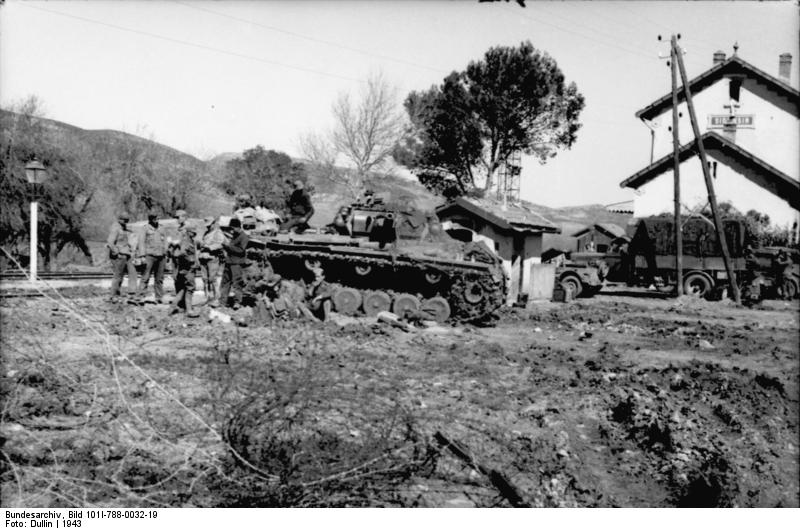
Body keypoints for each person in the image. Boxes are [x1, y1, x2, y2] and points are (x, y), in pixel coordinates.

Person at [216, 217, 249, 309]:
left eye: (233, 228)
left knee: (237, 284)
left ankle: (237, 302)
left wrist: (228, 247)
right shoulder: (235, 235)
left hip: (237, 264)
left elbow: (241, 250)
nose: (231, 230)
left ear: (238, 227)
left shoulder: (244, 237)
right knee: (225, 283)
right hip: (229, 262)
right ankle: (222, 302)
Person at [137, 211, 168, 303]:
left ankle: (159, 297)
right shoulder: (145, 229)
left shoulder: (162, 228)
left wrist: (166, 253)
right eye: (155, 219)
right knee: (145, 277)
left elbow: (165, 241)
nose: (157, 220)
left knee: (159, 278)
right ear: (151, 219)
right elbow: (141, 242)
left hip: (161, 256)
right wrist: (142, 256)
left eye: (158, 218)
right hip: (149, 256)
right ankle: (141, 297)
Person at [106, 212, 138, 303]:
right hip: (119, 255)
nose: (126, 222)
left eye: (127, 220)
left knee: (120, 276)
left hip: (124, 255)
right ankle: (113, 295)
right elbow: (110, 242)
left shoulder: (122, 228)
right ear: (120, 219)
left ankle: (116, 294)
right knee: (118, 276)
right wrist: (116, 252)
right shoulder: (116, 228)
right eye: (125, 220)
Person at [170, 225, 200, 318]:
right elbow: (182, 253)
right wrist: (191, 260)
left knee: (184, 289)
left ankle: (173, 306)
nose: (194, 234)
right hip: (187, 269)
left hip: (186, 269)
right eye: (192, 232)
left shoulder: (191, 241)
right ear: (188, 232)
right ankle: (189, 310)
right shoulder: (186, 241)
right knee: (190, 288)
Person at [198, 217, 226, 304]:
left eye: (209, 225)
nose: (208, 227)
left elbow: (220, 244)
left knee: (212, 279)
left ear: (213, 224)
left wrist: (209, 247)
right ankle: (207, 297)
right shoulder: (206, 233)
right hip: (203, 257)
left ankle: (216, 298)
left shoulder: (218, 233)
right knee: (205, 279)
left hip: (212, 258)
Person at [169, 209, 189, 287]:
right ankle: (179, 296)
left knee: (183, 276)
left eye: (178, 217)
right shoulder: (178, 228)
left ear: (184, 217)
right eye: (176, 218)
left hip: (183, 255)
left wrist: (177, 242)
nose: (177, 219)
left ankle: (183, 297)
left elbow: (188, 242)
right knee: (176, 277)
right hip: (176, 254)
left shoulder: (188, 228)